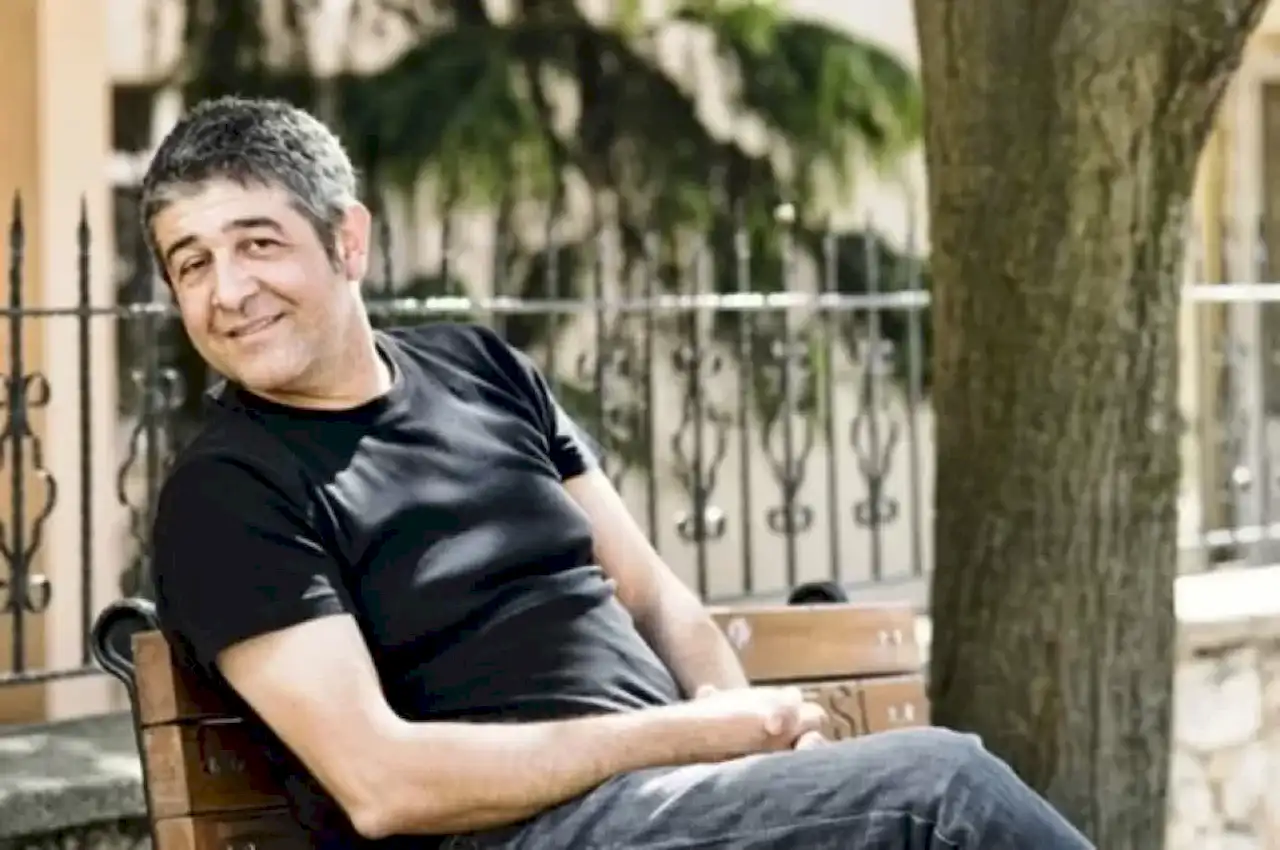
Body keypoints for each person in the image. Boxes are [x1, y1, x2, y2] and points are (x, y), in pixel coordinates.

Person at [146, 96, 1095, 850]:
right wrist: (692, 736)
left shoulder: (480, 369)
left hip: (663, 805)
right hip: (518, 831)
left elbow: (655, 600)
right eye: (192, 264)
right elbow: (383, 784)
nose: (229, 291)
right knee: (942, 789)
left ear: (348, 241)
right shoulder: (228, 495)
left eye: (258, 243)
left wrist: (750, 738)